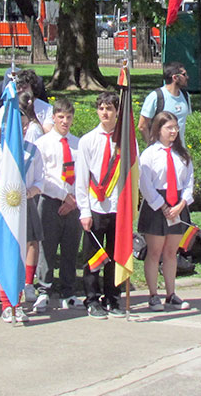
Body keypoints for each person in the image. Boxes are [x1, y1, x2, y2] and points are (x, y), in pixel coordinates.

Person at [0, 106, 44, 323]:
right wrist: (9, 170)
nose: (17, 130)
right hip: (5, 206)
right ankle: (5, 302)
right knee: (6, 251)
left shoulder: (32, 151)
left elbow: (40, 179)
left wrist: (32, 191)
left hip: (25, 203)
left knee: (26, 247)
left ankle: (20, 295)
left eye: (21, 126)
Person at [75, 92, 125, 319]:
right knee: (93, 257)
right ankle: (92, 299)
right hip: (96, 207)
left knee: (115, 256)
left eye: (110, 109)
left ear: (117, 112)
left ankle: (113, 298)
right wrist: (84, 211)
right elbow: (82, 179)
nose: (105, 113)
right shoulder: (88, 140)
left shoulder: (125, 141)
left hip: (118, 208)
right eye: (101, 108)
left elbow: (132, 173)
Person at [137, 111, 194, 312]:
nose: (173, 131)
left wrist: (181, 204)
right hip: (157, 207)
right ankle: (153, 296)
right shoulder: (150, 154)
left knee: (171, 252)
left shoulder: (182, 155)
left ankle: (171, 294)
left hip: (177, 206)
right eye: (169, 128)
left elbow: (189, 183)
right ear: (158, 129)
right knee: (154, 252)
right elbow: (145, 183)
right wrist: (162, 206)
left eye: (175, 128)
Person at [33, 98, 83, 312]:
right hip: (51, 200)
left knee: (71, 247)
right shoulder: (42, 144)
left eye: (69, 117)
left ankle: (68, 291)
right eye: (61, 117)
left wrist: (74, 200)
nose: (65, 121)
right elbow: (41, 176)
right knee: (48, 247)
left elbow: (84, 175)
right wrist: (63, 196)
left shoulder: (78, 144)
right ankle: (44, 289)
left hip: (74, 204)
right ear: (53, 117)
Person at [138, 62, 191, 144]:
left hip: (180, 151)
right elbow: (142, 126)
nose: (187, 77)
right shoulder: (156, 97)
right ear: (175, 77)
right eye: (184, 74)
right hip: (160, 152)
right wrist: (152, 146)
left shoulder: (185, 96)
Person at [0, 70, 53, 135]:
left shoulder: (47, 108)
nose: (21, 90)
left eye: (25, 87)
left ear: (32, 88)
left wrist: (33, 117)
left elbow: (48, 135)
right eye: (18, 87)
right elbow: (2, 134)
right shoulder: (5, 109)